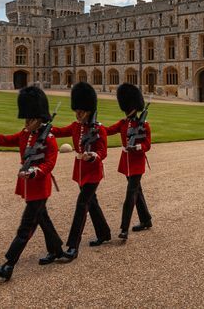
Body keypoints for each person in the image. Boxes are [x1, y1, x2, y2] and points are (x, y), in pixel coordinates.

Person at [0, 86, 64, 281]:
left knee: (26, 227)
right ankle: (57, 250)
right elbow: (6, 139)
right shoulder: (25, 134)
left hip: (39, 187)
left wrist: (34, 172)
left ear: (39, 119)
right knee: (43, 220)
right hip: (28, 186)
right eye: (25, 119)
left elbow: (49, 164)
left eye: (29, 119)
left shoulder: (49, 139)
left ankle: (9, 264)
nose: (26, 122)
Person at [50, 82, 110, 260]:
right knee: (92, 203)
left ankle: (72, 246)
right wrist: (43, 126)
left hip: (93, 172)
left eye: (81, 112)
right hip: (80, 172)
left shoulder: (99, 129)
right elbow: (59, 131)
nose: (78, 114)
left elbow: (103, 152)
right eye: (76, 111)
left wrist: (92, 156)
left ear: (90, 111)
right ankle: (104, 233)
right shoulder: (76, 127)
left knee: (81, 205)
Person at [105, 83, 153, 241]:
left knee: (130, 194)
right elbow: (108, 131)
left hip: (137, 162)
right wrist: (95, 129)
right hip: (126, 162)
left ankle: (124, 228)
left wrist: (138, 147)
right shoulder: (123, 123)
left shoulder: (144, 125)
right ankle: (146, 219)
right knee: (137, 191)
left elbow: (147, 145)